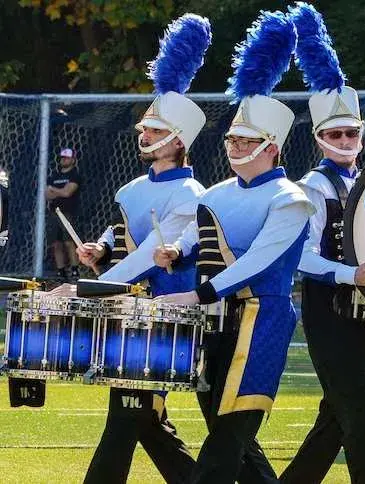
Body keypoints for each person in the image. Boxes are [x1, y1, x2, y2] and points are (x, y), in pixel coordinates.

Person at [153, 11, 314, 483]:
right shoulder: (216, 192)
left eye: (245, 140)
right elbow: (196, 235)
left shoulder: (291, 199)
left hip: (261, 319)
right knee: (228, 433)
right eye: (230, 139)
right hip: (216, 322)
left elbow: (261, 260)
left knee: (229, 434)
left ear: (271, 146)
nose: (233, 146)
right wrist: (176, 253)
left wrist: (197, 294)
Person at [54, 14, 211, 484]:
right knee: (141, 417)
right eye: (144, 128)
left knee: (128, 415)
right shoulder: (131, 188)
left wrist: (90, 287)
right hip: (127, 309)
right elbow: (125, 235)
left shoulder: (193, 193)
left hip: (166, 312)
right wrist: (99, 249)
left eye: (153, 129)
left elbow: (152, 256)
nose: (143, 136)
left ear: (178, 140)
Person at [279, 4, 365, 483]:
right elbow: (301, 257)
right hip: (329, 313)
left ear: (361, 137)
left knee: (335, 420)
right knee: (360, 418)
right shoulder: (312, 186)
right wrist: (351, 275)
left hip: (363, 313)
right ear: (320, 139)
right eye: (335, 133)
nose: (345, 138)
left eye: (351, 132)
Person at [45, 147, 82, 280]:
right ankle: (61, 271)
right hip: (54, 212)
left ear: (73, 159)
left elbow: (68, 192)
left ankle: (74, 270)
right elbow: (47, 195)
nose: (64, 159)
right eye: (62, 157)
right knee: (56, 243)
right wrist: (57, 191)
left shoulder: (75, 175)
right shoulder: (54, 176)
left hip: (69, 213)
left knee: (69, 242)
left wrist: (54, 190)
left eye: (67, 157)